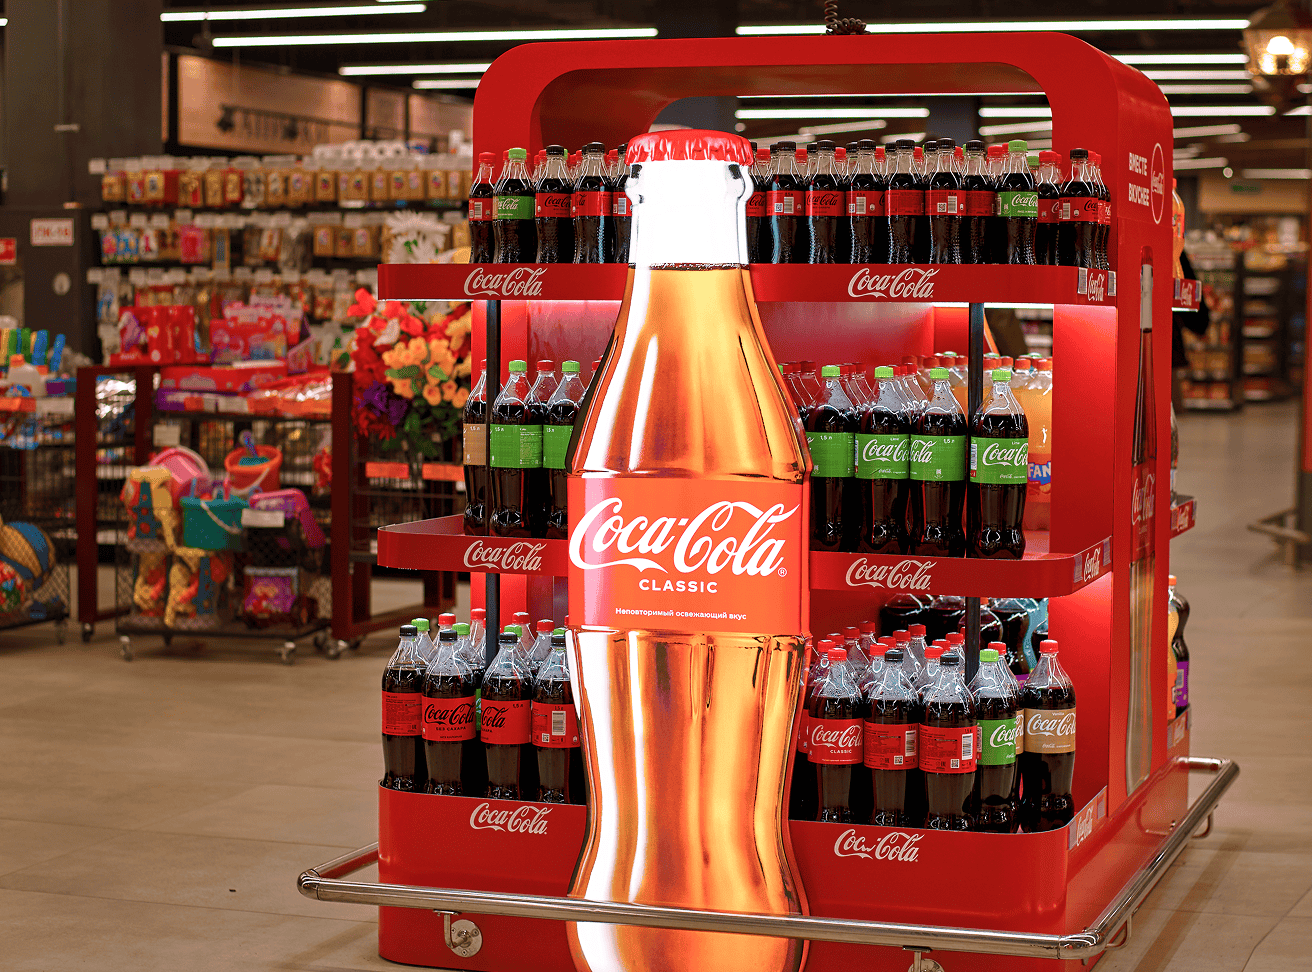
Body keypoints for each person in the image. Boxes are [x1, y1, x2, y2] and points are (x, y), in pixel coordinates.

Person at [1172, 249, 1211, 411]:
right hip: (1167, 342)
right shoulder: (1175, 248)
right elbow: (1186, 282)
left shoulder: (1174, 247)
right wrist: (1200, 324)